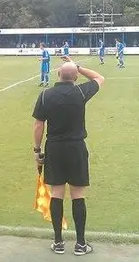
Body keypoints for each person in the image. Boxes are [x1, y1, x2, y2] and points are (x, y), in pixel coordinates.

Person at [32, 56, 105, 256]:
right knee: (77, 195)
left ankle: (58, 242)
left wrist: (37, 151)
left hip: (54, 148)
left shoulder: (46, 95)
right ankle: (81, 244)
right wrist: (78, 66)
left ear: (57, 74)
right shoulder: (81, 92)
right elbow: (100, 77)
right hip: (76, 148)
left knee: (56, 194)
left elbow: (39, 124)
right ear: (75, 78)